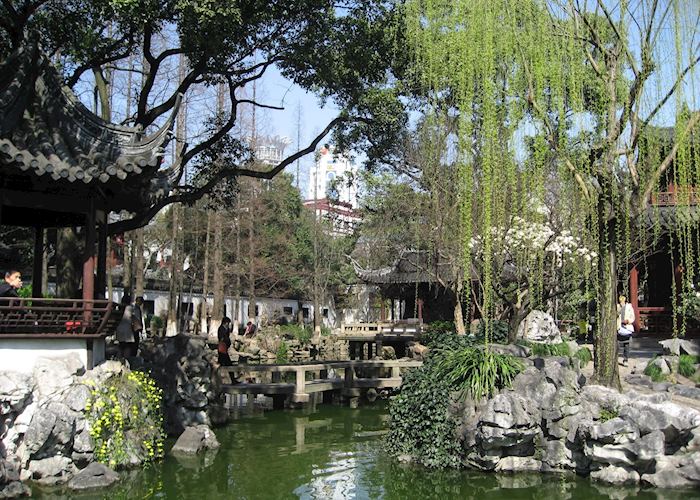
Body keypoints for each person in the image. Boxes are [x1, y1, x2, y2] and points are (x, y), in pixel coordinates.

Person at [617, 295, 635, 367]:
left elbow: (632, 316)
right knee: (617, 345)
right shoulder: (617, 306)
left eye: (623, 299)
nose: (622, 300)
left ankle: (625, 359)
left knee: (626, 345)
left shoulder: (629, 307)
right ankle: (615, 358)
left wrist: (628, 321)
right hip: (618, 327)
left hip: (627, 327)